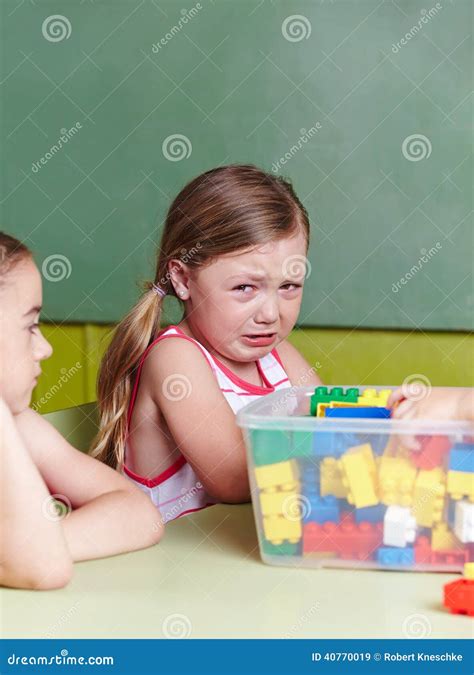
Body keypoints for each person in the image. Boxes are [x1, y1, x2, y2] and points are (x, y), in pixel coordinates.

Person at [91, 164, 322, 522]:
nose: (271, 314)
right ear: (182, 278)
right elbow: (233, 481)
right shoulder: (175, 358)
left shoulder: (280, 358)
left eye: (289, 286)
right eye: (245, 288)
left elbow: (337, 423)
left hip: (248, 563)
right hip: (166, 571)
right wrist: (334, 452)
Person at [0, 232, 164, 590]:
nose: (44, 348)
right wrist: (31, 553)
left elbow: (140, 515)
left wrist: (39, 544)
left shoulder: (20, 427)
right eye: (29, 326)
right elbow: (44, 569)